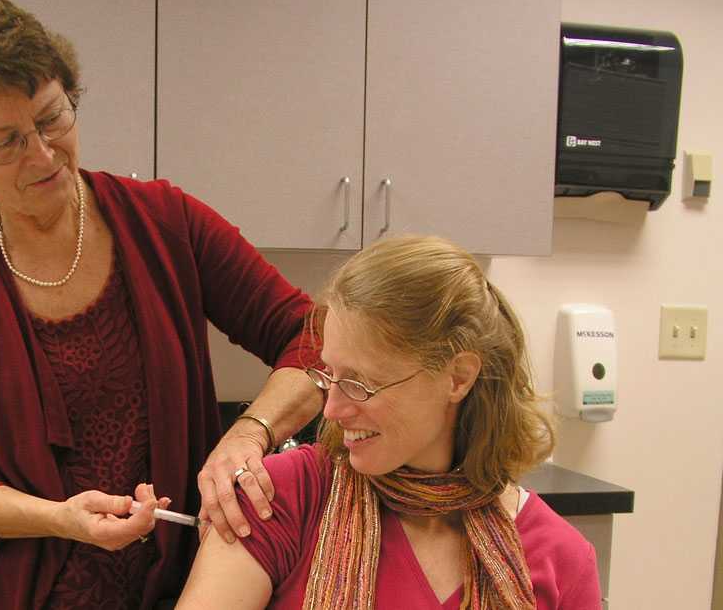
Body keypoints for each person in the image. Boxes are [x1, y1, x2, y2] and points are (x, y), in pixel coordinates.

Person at [0, 0, 321, 609]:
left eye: (52, 118)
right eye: (6, 142)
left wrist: (249, 433)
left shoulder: (166, 224)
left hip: (175, 592)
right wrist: (58, 518)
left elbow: (313, 337)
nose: (43, 154)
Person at [178, 235, 603, 609]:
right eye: (331, 375)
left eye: (360, 384)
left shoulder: (562, 559)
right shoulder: (279, 496)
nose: (332, 409)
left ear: (457, 378)